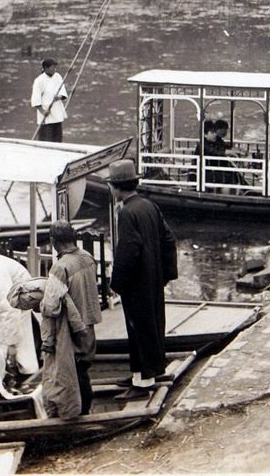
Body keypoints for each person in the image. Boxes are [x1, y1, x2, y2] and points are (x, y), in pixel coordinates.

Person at [108, 159, 178, 400]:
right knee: (153, 324)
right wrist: (166, 273)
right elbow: (168, 239)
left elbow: (128, 250)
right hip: (153, 277)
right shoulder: (149, 206)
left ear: (117, 187)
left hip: (137, 281)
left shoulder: (127, 213)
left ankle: (144, 381)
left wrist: (117, 282)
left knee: (138, 328)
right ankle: (143, 371)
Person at [39, 221, 102, 417]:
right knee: (83, 368)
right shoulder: (88, 258)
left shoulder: (60, 267)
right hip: (89, 322)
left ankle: (78, 414)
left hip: (71, 329)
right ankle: (86, 410)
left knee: (71, 373)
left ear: (53, 242)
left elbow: (50, 306)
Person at [30, 57, 68, 142]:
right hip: (46, 116)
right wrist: (43, 112)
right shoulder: (39, 80)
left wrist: (59, 97)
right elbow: (36, 99)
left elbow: (63, 93)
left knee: (57, 139)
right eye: (52, 67)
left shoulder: (57, 76)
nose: (55, 69)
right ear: (46, 68)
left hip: (57, 113)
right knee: (46, 140)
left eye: (55, 67)